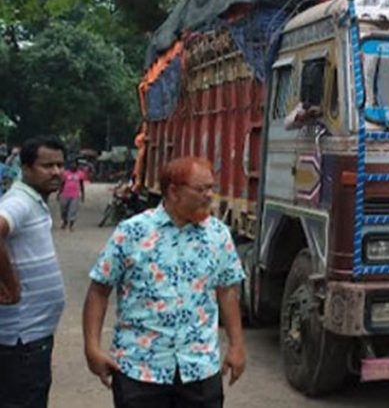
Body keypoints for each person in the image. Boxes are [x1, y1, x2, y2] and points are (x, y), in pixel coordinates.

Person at [83, 157, 246, 408]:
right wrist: (92, 348)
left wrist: (236, 346)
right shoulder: (132, 232)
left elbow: (227, 292)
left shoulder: (218, 235)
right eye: (201, 189)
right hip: (140, 370)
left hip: (200, 368)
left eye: (211, 188)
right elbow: (99, 291)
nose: (209, 196)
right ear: (173, 191)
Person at [0, 136, 68, 407]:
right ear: (26, 168)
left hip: (30, 337)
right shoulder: (20, 202)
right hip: (21, 341)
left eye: (60, 165)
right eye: (47, 165)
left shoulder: (33, 201)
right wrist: (11, 284)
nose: (56, 172)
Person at [59, 160, 88, 231]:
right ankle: (64, 221)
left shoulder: (80, 174)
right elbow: (62, 184)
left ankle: (71, 225)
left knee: (73, 210)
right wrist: (59, 193)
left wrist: (83, 195)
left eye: (75, 165)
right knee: (63, 210)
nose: (73, 166)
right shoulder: (66, 174)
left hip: (75, 195)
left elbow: (81, 185)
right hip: (65, 194)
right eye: (72, 165)